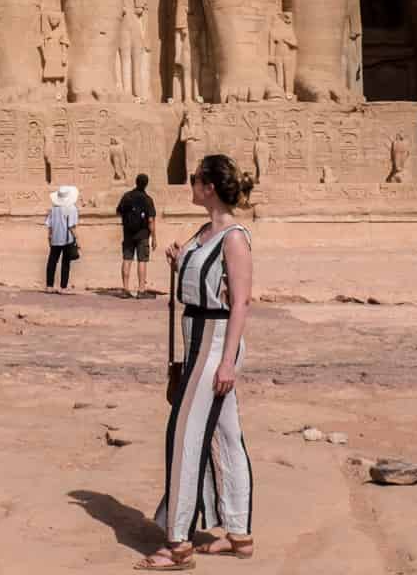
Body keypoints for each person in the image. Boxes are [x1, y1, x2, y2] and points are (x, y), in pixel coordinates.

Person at [138, 154, 255, 569]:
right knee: (226, 435)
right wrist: (178, 262)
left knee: (184, 437)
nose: (189, 184)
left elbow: (240, 302)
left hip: (216, 343)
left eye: (194, 179)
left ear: (209, 186)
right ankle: (239, 534)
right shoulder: (205, 231)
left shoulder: (234, 237)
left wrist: (227, 363)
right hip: (196, 340)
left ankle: (179, 542)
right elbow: (200, 285)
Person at [116, 174, 158, 299]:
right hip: (143, 234)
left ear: (136, 182)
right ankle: (141, 290)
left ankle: (125, 288)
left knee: (127, 259)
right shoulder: (147, 199)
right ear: (146, 184)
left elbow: (118, 212)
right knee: (142, 261)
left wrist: (128, 221)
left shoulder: (127, 196)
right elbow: (150, 220)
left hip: (128, 233)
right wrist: (154, 237)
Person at [45, 185, 79, 293]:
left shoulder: (53, 208)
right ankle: (63, 287)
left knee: (52, 261)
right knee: (65, 262)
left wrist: (49, 237)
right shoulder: (72, 208)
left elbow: (49, 225)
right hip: (67, 239)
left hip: (55, 237)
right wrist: (77, 238)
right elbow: (71, 226)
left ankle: (49, 286)